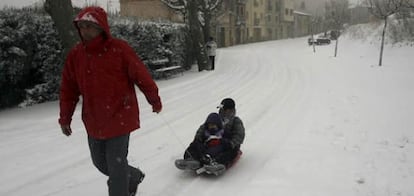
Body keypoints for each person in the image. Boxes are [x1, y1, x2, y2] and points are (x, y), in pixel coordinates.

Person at [58, 6, 162, 196]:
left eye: (89, 26)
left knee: (116, 167)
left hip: (120, 116)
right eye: (81, 26)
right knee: (100, 163)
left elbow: (141, 75)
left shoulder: (119, 49)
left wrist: (154, 100)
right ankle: (133, 175)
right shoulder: (76, 55)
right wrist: (65, 117)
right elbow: (68, 89)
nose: (84, 31)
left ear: (101, 27)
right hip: (93, 120)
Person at [175, 98, 245, 174]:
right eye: (221, 109)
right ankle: (191, 159)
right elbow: (203, 127)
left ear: (230, 110)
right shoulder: (216, 117)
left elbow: (239, 135)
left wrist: (231, 143)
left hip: (226, 144)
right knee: (195, 144)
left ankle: (218, 163)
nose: (222, 111)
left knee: (231, 151)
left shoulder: (236, 121)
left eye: (224, 109)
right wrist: (199, 139)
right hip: (210, 142)